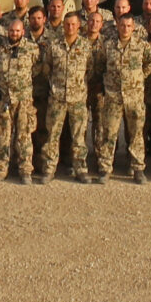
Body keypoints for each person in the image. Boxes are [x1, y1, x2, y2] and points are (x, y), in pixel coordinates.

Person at [41, 12, 97, 184]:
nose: (70, 27)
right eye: (67, 24)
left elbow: (90, 70)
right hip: (57, 98)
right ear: (63, 26)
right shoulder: (54, 45)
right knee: (52, 136)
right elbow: (46, 69)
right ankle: (49, 169)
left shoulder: (86, 46)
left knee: (79, 137)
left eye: (73, 24)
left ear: (79, 25)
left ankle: (80, 169)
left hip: (78, 99)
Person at [98, 16, 151, 183]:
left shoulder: (142, 45)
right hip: (113, 97)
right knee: (109, 133)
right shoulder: (108, 45)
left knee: (136, 133)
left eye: (129, 25)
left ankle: (138, 168)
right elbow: (100, 64)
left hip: (134, 97)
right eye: (122, 25)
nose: (125, 28)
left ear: (133, 26)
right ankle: (105, 168)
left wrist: (138, 78)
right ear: (117, 26)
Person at [0, 18, 42, 183]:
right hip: (4, 100)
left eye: (17, 31)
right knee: (3, 137)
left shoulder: (32, 49)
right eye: (11, 31)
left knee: (24, 136)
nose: (14, 34)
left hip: (24, 101)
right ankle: (0, 170)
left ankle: (25, 170)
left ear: (23, 32)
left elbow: (38, 69)